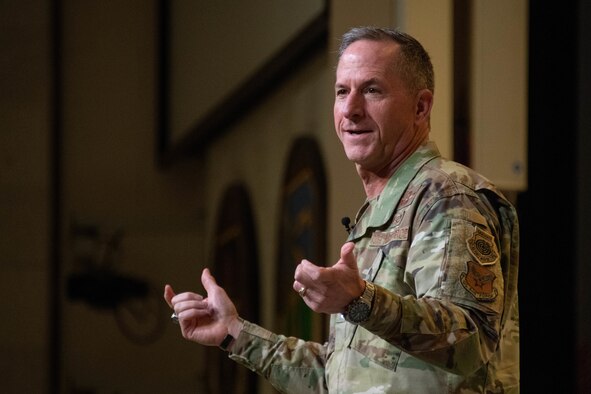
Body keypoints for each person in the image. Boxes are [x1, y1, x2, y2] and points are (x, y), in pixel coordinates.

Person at [164, 27, 520, 393]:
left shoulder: (444, 194)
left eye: (372, 90)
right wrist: (235, 334)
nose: (350, 109)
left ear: (420, 106)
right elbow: (336, 381)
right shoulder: (379, 212)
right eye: (341, 91)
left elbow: (469, 340)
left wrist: (359, 300)